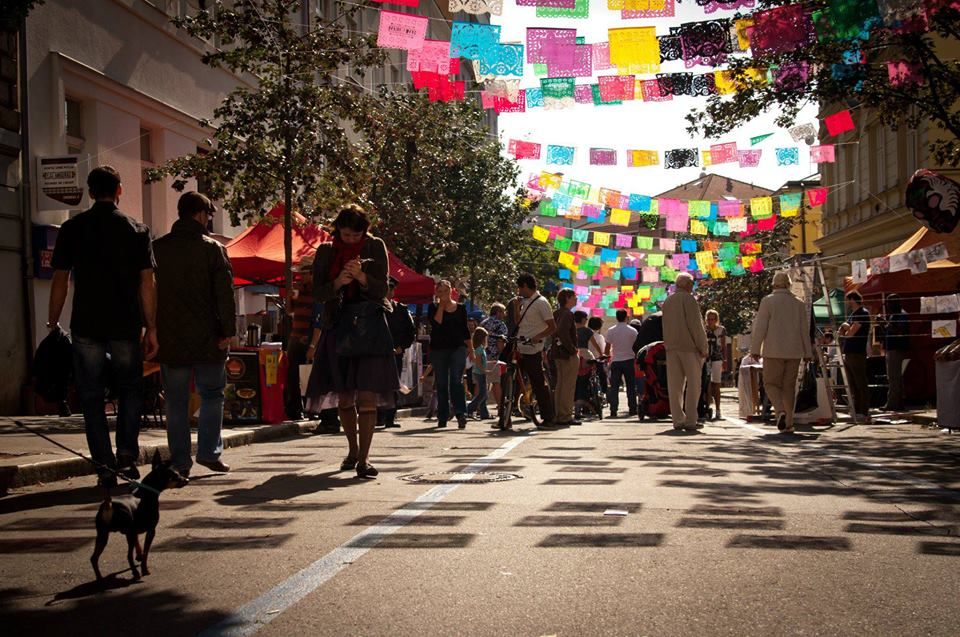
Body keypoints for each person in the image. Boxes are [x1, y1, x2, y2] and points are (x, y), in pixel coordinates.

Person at [47, 166, 157, 488]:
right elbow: (147, 283)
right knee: (130, 390)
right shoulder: (136, 230)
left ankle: (104, 467)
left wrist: (53, 320)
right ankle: (126, 454)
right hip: (125, 324)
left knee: (91, 396)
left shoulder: (72, 228)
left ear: (91, 192)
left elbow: (60, 280)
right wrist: (151, 327)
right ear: (119, 190)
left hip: (86, 324)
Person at [306, 205, 399, 479]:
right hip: (338, 326)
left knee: (367, 396)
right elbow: (317, 292)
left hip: (369, 327)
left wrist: (360, 277)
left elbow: (383, 289)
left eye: (355, 235)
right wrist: (337, 283)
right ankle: (352, 450)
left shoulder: (375, 247)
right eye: (345, 234)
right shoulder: (326, 250)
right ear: (338, 230)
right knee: (345, 396)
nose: (350, 239)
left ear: (364, 232)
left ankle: (364, 459)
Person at [153, 192, 236, 476]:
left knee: (175, 400)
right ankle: (208, 452)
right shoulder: (212, 249)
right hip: (208, 338)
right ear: (200, 214)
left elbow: (147, 292)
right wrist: (227, 331)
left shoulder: (158, 248)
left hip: (170, 336)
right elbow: (224, 294)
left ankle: (179, 461)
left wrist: (150, 329)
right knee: (212, 394)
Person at [749, 272, 814, 433]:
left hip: (773, 350)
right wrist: (807, 352)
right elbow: (803, 331)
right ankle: (789, 423)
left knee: (771, 384)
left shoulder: (768, 301)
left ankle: (780, 411)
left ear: (774, 285)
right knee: (789, 388)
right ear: (788, 284)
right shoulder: (798, 304)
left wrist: (755, 349)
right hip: (794, 352)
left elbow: (760, 328)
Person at [661, 273, 709, 431]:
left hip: (671, 347)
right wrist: (703, 346)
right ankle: (690, 420)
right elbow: (696, 325)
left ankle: (677, 420)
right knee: (694, 384)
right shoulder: (689, 300)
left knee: (675, 386)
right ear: (688, 285)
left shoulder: (667, 301)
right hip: (689, 347)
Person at [515, 273, 558, 428]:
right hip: (519, 346)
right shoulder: (524, 302)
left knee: (538, 383)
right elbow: (518, 324)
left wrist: (537, 337)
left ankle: (548, 416)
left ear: (526, 286)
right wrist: (515, 307)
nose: (519, 291)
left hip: (533, 349)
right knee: (511, 377)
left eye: (520, 288)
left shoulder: (541, 303)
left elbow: (552, 327)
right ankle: (505, 414)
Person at [428, 280, 472, 429]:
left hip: (457, 348)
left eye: (445, 291)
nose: (443, 294)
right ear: (436, 293)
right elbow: (436, 323)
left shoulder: (461, 308)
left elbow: (465, 330)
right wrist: (441, 305)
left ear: (451, 291)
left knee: (455, 380)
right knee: (441, 383)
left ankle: (461, 413)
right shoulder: (433, 307)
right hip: (438, 349)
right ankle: (442, 415)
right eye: (440, 292)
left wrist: (471, 350)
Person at [377, 277, 416, 428]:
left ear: (393, 292)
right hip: (378, 353)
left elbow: (410, 332)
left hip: (395, 353)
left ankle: (389, 417)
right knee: (378, 385)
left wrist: (402, 346)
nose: (387, 293)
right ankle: (378, 416)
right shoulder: (375, 308)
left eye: (390, 289)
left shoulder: (401, 310)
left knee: (393, 385)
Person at [285, 255, 320, 421]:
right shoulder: (299, 289)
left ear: (312, 273)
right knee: (293, 375)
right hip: (295, 337)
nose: (302, 277)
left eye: (304, 274)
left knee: (311, 375)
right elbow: (289, 311)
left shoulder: (318, 292)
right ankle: (295, 408)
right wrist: (290, 297)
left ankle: (312, 408)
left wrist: (312, 342)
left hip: (309, 338)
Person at [838, 291, 872, 423]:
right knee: (852, 383)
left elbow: (851, 332)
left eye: (848, 300)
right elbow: (842, 330)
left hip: (857, 352)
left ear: (853, 299)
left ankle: (863, 409)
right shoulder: (853, 314)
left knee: (860, 382)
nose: (846, 303)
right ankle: (857, 410)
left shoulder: (862, 313)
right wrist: (845, 328)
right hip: (849, 351)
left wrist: (846, 327)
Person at [551, 289, 581, 426]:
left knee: (560, 385)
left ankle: (559, 414)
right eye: (575, 297)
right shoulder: (568, 314)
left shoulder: (556, 313)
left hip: (557, 353)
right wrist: (572, 349)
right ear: (568, 298)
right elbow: (562, 332)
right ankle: (565, 415)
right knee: (568, 386)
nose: (576, 299)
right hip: (567, 354)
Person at [878, 294, 909, 412]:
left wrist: (885, 323)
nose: (888, 306)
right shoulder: (894, 315)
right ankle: (898, 402)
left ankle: (892, 403)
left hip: (897, 349)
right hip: (891, 348)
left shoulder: (901, 315)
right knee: (895, 378)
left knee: (893, 377)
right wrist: (882, 324)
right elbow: (888, 330)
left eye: (889, 303)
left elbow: (899, 331)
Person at [606, 310, 638, 418]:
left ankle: (613, 410)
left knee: (614, 387)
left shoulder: (611, 330)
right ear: (626, 317)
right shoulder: (633, 331)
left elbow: (607, 348)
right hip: (629, 360)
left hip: (616, 361)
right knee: (630, 386)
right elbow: (636, 346)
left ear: (616, 317)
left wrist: (607, 360)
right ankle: (633, 409)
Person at [480, 303, 509, 407]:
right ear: (498, 312)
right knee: (496, 382)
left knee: (482, 382)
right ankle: (501, 407)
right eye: (503, 311)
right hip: (494, 356)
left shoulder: (483, 323)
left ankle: (480, 407)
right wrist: (502, 356)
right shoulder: (500, 324)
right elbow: (500, 341)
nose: (505, 314)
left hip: (482, 354)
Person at [704, 309, 727, 420]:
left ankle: (718, 409)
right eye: (708, 319)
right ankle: (707, 408)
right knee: (707, 384)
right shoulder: (703, 329)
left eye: (712, 319)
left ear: (716, 320)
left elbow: (723, 346)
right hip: (706, 359)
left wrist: (725, 360)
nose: (710, 321)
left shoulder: (721, 330)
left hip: (717, 358)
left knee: (716, 384)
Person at [466, 327, 490, 420]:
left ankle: (484, 414)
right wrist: (485, 371)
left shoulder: (480, 348)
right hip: (479, 373)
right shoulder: (479, 349)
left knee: (484, 394)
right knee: (482, 394)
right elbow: (479, 362)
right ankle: (470, 408)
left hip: (479, 372)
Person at [587, 316, 610, 394]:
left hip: (586, 360)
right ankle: (604, 392)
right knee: (602, 376)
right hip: (598, 360)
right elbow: (603, 350)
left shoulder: (585, 334)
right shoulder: (599, 337)